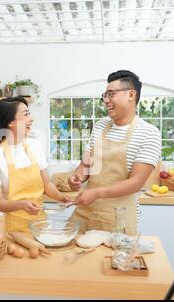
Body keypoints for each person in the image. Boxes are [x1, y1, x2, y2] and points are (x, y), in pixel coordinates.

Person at [68, 70, 161, 235]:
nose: (106, 100)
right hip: (85, 213)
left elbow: (136, 183)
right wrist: (78, 177)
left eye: (111, 94)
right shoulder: (100, 125)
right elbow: (86, 165)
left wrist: (97, 193)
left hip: (119, 219)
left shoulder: (149, 133)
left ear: (131, 95)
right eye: (105, 95)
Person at [0, 97, 69, 233]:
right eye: (26, 114)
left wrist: (61, 198)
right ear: (11, 122)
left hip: (40, 225)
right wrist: (22, 205)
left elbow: (46, 185)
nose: (31, 118)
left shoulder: (34, 145)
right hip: (12, 229)